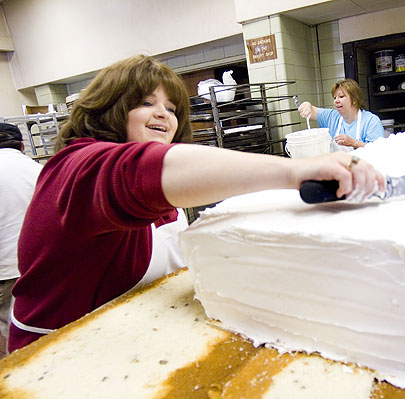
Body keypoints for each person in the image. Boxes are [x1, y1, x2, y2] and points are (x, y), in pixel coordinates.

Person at [9, 55, 384, 352]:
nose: (163, 115)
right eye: (145, 102)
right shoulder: (77, 168)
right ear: (108, 108)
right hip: (61, 355)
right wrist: (295, 172)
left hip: (132, 341)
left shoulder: (164, 196)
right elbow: (142, 173)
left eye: (172, 108)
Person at [0, 123, 43, 347]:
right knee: (35, 328)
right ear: (22, 145)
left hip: (4, 271)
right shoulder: (40, 169)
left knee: (8, 336)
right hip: (40, 264)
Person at [298, 78, 384, 150]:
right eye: (335, 98)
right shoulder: (332, 117)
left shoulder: (371, 121)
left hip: (362, 168)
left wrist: (354, 143)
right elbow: (312, 110)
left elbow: (378, 151)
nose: (336, 101)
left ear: (354, 99)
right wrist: (307, 105)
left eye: (341, 96)